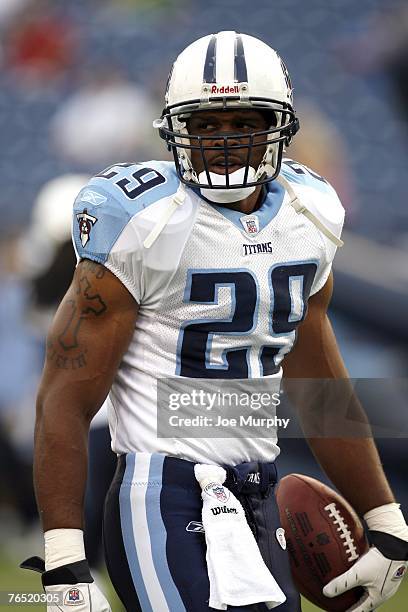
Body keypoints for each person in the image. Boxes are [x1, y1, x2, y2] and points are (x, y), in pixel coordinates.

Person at [24, 31, 408, 611]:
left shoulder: (311, 212)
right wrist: (64, 559)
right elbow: (64, 393)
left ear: (280, 125)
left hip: (262, 490)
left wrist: (385, 517)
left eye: (244, 121)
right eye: (207, 125)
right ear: (176, 129)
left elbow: (317, 380)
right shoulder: (139, 219)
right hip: (161, 492)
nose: (225, 142)